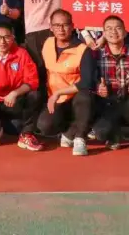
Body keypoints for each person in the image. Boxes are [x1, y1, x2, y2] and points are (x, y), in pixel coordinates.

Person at [89, 15, 129, 158]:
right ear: (104, 33)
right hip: (108, 102)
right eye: (109, 29)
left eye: (118, 28)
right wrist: (99, 89)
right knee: (101, 132)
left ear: (125, 32)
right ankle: (114, 134)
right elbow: (90, 81)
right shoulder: (96, 55)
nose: (113, 32)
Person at [37, 10, 95, 156]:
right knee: (45, 126)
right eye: (57, 25)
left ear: (72, 26)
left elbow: (87, 82)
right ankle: (69, 131)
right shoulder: (47, 43)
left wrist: (59, 92)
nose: (61, 29)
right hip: (55, 99)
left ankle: (80, 137)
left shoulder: (83, 50)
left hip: (75, 97)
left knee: (84, 96)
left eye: (65, 25)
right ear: (51, 27)